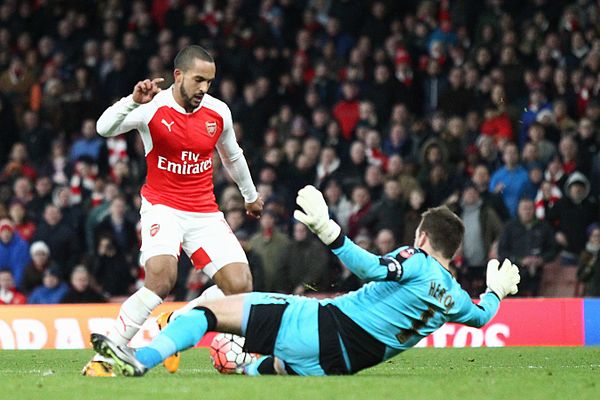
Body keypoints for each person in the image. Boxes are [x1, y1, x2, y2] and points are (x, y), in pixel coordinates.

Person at [91, 185, 520, 377]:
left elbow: (372, 269)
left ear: (422, 237)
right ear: (456, 252)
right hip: (340, 366)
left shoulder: (416, 259)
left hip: (323, 326)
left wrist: (328, 230)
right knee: (266, 362)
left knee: (206, 311)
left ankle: (140, 359)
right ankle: (242, 368)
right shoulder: (454, 297)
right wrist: (496, 292)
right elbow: (482, 317)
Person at [83, 45, 263, 376]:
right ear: (178, 75)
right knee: (162, 279)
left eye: (209, 82)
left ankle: (185, 322)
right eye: (198, 80)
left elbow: (232, 156)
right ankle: (108, 354)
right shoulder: (152, 107)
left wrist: (250, 196)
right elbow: (103, 128)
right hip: (162, 208)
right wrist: (132, 101)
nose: (204, 88)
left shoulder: (218, 112)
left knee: (241, 285)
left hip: (205, 212)